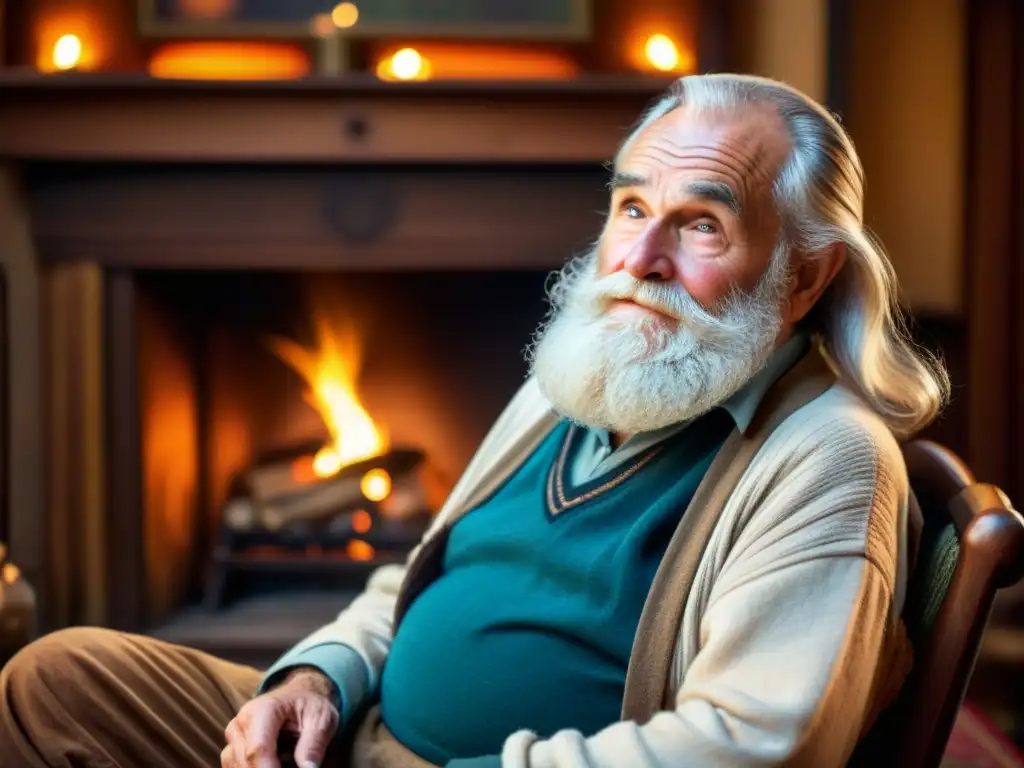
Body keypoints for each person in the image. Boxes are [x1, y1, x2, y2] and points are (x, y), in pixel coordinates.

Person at [0, 73, 948, 768]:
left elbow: (747, 750)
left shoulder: (827, 457)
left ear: (808, 275)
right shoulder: (584, 378)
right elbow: (422, 579)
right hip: (357, 736)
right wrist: (315, 679)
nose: (640, 258)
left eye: (701, 224)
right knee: (57, 678)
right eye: (630, 207)